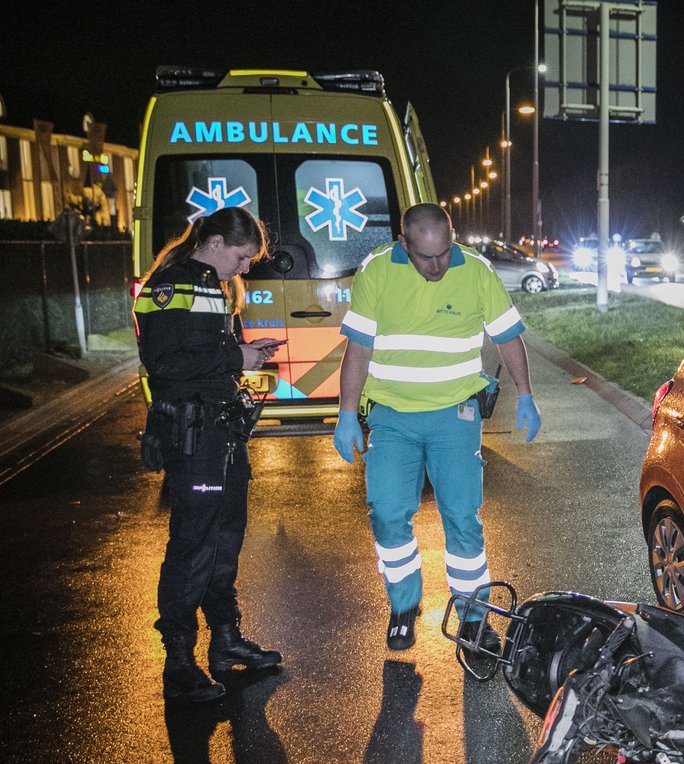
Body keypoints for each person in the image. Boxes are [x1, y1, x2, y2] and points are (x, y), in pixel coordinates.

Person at [332, 203, 541, 652]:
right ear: (403, 242)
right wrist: (346, 413)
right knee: (388, 515)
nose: (437, 265)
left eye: (444, 253)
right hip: (392, 416)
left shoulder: (477, 271)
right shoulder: (376, 271)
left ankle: (473, 617)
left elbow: (507, 336)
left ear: (452, 237)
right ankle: (404, 605)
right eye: (425, 257)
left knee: (463, 519)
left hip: (455, 415)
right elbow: (359, 349)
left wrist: (525, 393)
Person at [134, 206, 284, 702]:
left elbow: (201, 353)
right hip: (193, 435)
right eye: (242, 257)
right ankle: (179, 662)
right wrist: (234, 356)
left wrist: (245, 354)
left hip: (220, 432)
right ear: (215, 242)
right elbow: (164, 362)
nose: (245, 269)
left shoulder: (212, 284)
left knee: (226, 537)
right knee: (192, 544)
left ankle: (225, 640)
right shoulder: (169, 283)